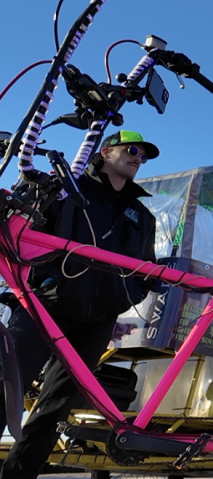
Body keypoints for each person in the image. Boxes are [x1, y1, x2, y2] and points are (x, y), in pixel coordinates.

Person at [0, 131, 159, 479]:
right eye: (132, 150)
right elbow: (25, 235)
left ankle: (17, 475)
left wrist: (124, 296)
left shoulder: (142, 215)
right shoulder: (66, 189)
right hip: (46, 306)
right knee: (6, 385)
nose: (138, 158)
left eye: (143, 156)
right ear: (105, 152)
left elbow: (148, 270)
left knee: (56, 406)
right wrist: (44, 281)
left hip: (97, 319)